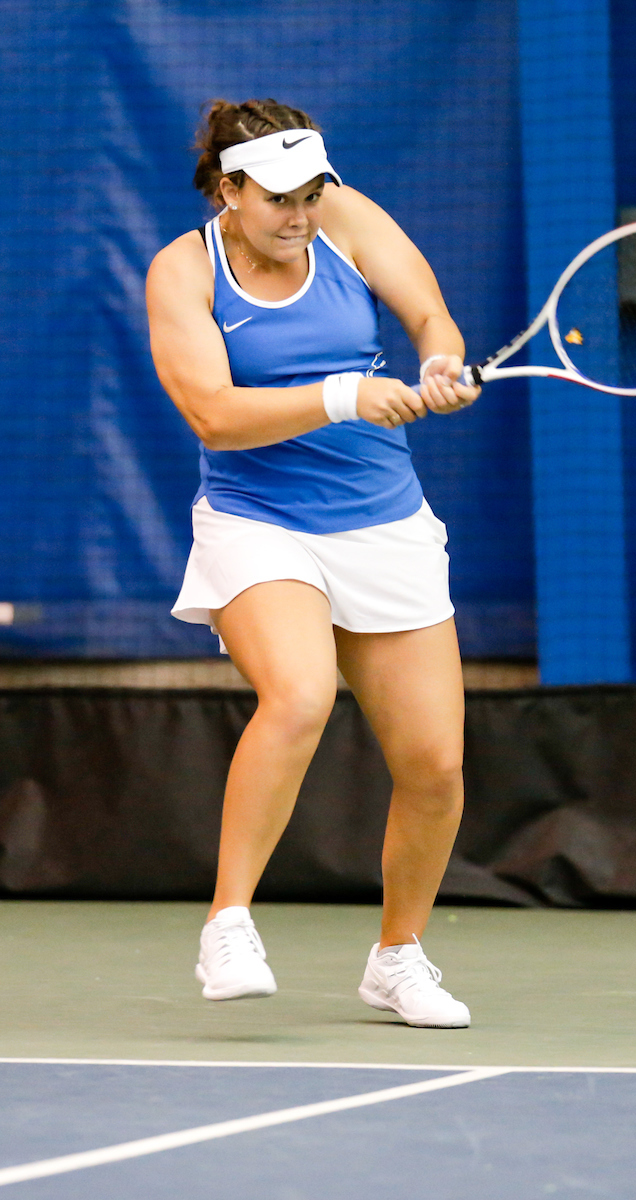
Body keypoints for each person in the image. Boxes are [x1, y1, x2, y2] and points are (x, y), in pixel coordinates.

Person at [146, 98, 480, 1029]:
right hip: (259, 520)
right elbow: (213, 412)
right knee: (299, 695)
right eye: (280, 198)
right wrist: (343, 394)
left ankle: (399, 956)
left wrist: (441, 363)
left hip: (384, 522)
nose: (300, 215)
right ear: (231, 187)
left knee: (436, 766)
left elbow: (428, 313)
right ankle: (229, 921)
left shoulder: (347, 221)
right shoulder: (183, 272)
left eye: (313, 193)